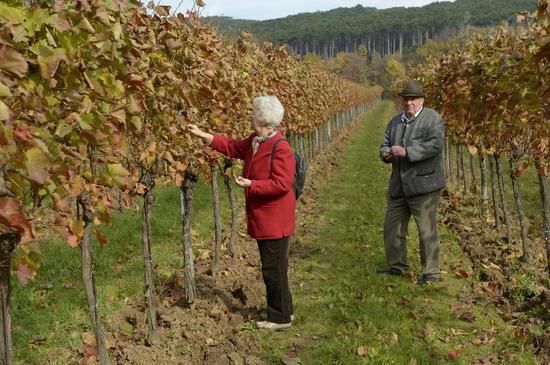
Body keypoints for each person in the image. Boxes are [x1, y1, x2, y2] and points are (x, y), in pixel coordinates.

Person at [188, 95, 295, 329]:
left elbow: (282, 184)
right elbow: (233, 147)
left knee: (272, 268)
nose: (249, 115)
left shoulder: (280, 147)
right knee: (276, 266)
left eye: (252, 112)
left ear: (261, 118)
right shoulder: (257, 140)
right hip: (266, 217)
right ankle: (286, 310)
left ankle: (279, 319)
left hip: (275, 219)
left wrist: (251, 184)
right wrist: (205, 136)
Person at [377, 80, 446, 286]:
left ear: (422, 100)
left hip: (424, 186)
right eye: (406, 99)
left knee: (426, 231)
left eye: (413, 99)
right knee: (393, 228)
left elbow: (435, 145)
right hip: (399, 185)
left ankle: (431, 274)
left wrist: (408, 152)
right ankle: (397, 267)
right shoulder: (394, 122)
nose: (409, 103)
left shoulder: (433, 119)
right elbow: (385, 143)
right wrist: (385, 154)